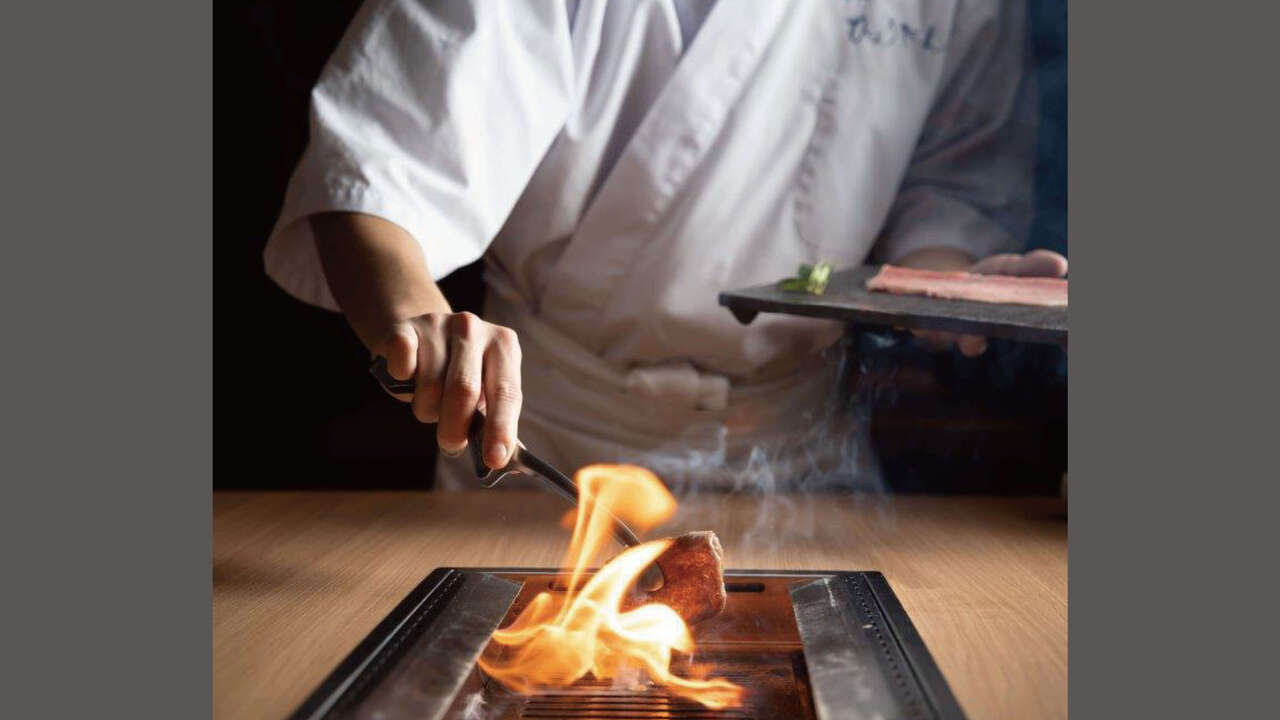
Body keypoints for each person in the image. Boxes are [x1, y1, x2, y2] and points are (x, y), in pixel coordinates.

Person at [264, 0, 1067, 490]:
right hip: (548, 445)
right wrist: (422, 324)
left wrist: (948, 285)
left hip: (800, 456)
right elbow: (373, 180)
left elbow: (950, 192)